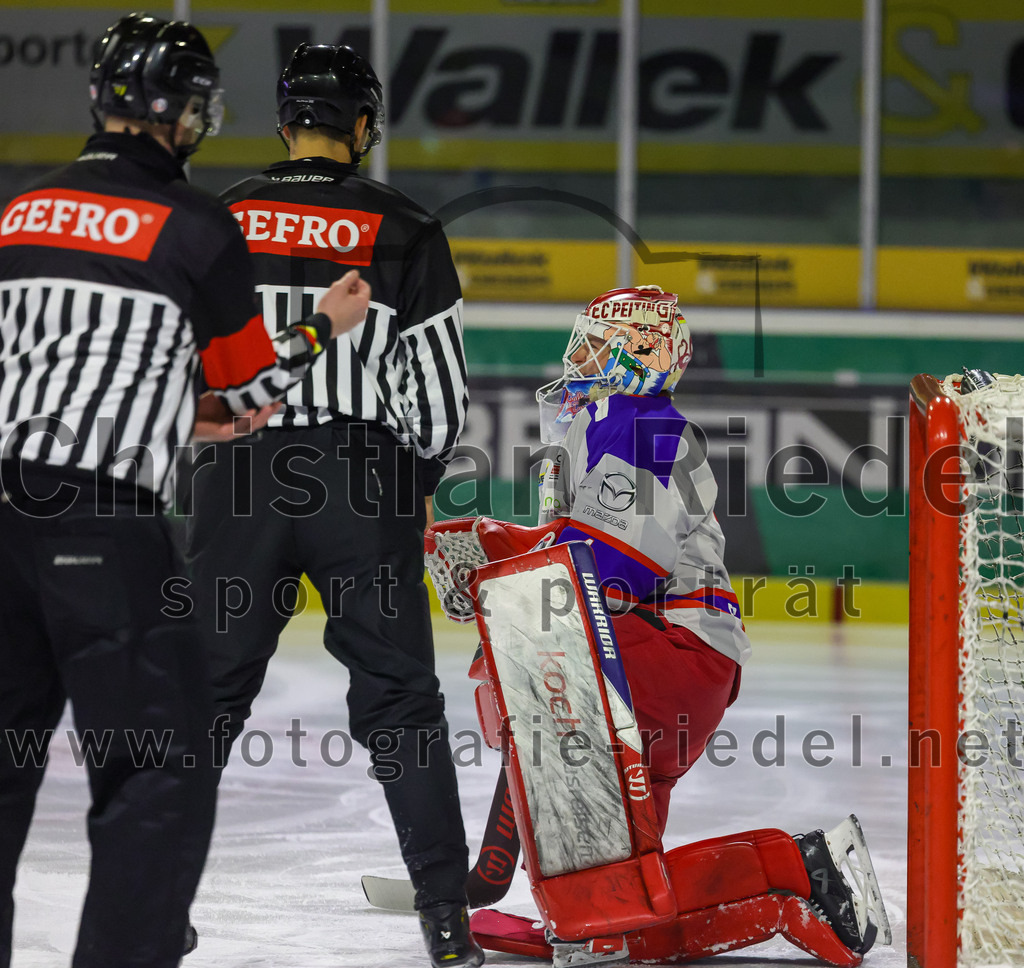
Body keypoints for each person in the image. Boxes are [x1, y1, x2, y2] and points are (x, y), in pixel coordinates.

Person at [0, 14, 369, 968]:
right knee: (159, 772)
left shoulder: (20, 211)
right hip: (100, 528)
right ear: (178, 114)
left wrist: (168, 412)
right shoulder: (196, 224)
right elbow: (243, 394)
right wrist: (322, 330)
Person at [184, 43, 481, 968]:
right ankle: (445, 918)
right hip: (361, 480)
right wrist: (413, 481)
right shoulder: (407, 229)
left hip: (236, 480)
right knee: (401, 702)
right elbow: (436, 410)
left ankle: (154, 904)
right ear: (362, 127)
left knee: (203, 701)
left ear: (283, 124)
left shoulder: (217, 217)